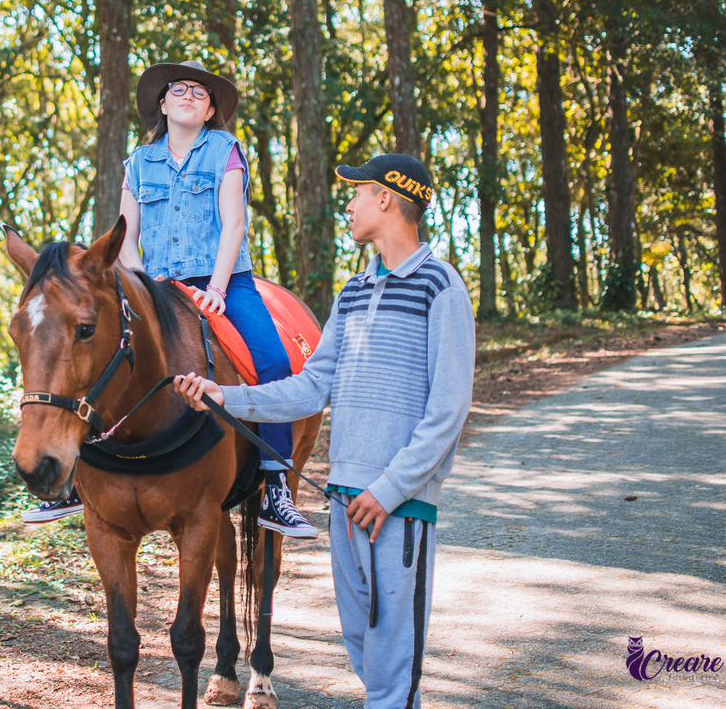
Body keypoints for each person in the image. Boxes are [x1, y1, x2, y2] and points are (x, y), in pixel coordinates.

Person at [174, 154, 475, 709]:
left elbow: (449, 409)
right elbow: (310, 388)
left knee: (393, 656)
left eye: (357, 193)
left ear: (386, 198)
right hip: (342, 498)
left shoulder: (441, 287)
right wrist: (227, 397)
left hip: (397, 504)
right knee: (362, 644)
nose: (350, 204)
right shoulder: (354, 291)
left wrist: (388, 491)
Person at [24, 60, 317, 538]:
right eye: (178, 90)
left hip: (223, 279)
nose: (188, 96)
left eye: (200, 94)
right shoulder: (139, 162)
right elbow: (127, 235)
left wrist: (218, 289)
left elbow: (234, 224)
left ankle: (275, 485)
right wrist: (139, 289)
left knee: (272, 361)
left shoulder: (225, 150)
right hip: (155, 284)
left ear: (209, 112)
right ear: (162, 104)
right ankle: (76, 478)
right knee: (97, 357)